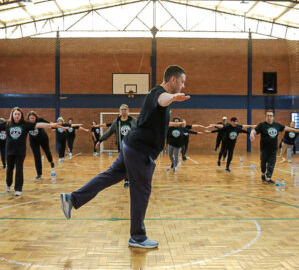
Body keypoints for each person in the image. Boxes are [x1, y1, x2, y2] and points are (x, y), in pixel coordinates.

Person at [60, 65, 190, 249]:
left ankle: (72, 199)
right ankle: (137, 236)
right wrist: (173, 97)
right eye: (182, 82)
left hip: (131, 146)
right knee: (141, 191)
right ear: (173, 80)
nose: (183, 86)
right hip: (139, 151)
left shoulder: (157, 95)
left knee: (109, 176)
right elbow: (162, 99)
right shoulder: (158, 93)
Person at [0, 108, 58, 195]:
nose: (17, 116)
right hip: (9, 151)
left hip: (20, 152)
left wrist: (51, 125)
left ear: (21, 115)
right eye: (15, 114)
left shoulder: (25, 124)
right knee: (9, 169)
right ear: (12, 115)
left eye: (18, 114)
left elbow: (39, 124)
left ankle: (18, 189)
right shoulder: (7, 124)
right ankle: (8, 184)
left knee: (19, 169)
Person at [250, 111, 299, 183]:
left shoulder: (277, 125)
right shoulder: (262, 125)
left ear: (273, 117)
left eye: (271, 116)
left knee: (272, 163)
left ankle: (268, 178)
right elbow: (254, 130)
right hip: (264, 148)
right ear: (265, 116)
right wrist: (252, 134)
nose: (269, 117)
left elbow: (288, 128)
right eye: (268, 116)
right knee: (263, 163)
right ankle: (262, 174)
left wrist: (298, 131)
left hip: (273, 148)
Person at [96, 104, 138, 188]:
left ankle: (133, 179)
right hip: (122, 147)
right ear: (119, 111)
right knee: (125, 164)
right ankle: (126, 180)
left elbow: (140, 129)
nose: (123, 111)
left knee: (132, 164)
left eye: (125, 109)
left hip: (132, 146)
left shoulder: (133, 120)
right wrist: (100, 140)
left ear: (128, 111)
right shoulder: (117, 121)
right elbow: (109, 131)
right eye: (122, 109)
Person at [27, 111, 55, 179]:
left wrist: (53, 127)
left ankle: (51, 161)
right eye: (31, 118)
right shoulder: (27, 124)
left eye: (33, 118)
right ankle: (39, 174)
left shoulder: (40, 120)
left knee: (47, 151)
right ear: (29, 119)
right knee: (37, 157)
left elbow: (48, 124)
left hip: (43, 139)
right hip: (33, 142)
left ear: (35, 118)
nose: (32, 119)